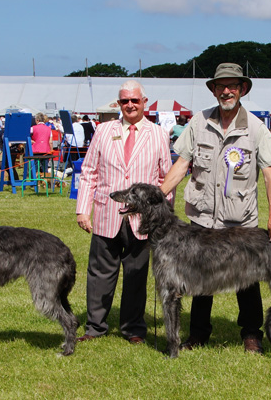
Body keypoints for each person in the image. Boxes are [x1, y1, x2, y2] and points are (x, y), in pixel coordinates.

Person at [159, 63, 271, 354]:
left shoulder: (255, 127)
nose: (226, 91)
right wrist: (160, 194)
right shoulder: (198, 121)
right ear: (214, 90)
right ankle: (199, 335)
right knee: (200, 278)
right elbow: (182, 164)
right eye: (220, 86)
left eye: (232, 86)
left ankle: (252, 334)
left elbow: (270, 173)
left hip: (239, 220)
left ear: (242, 89)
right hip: (202, 217)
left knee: (247, 281)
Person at [75, 80, 171, 345]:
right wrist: (83, 210)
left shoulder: (159, 134)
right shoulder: (103, 131)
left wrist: (161, 216)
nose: (130, 105)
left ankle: (134, 329)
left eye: (135, 100)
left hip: (143, 221)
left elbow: (166, 179)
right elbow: (89, 172)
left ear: (144, 102)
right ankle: (95, 327)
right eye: (124, 101)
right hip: (107, 215)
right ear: (118, 104)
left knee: (136, 276)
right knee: (99, 274)